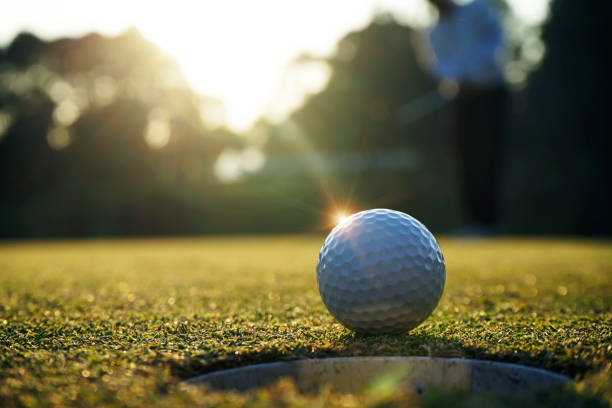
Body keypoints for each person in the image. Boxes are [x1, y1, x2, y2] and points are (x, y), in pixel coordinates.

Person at [415, 0, 508, 233]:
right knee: (465, 157)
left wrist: (475, 73)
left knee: (489, 155)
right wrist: (460, 77)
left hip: (492, 92)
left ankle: (491, 222)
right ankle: (474, 223)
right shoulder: (430, 32)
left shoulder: (478, 9)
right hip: (461, 99)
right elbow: (437, 64)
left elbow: (495, 39)